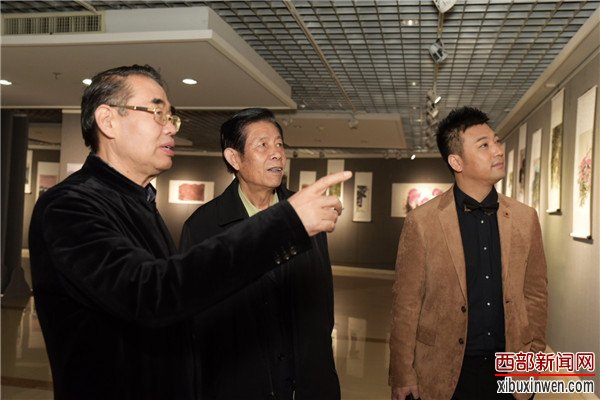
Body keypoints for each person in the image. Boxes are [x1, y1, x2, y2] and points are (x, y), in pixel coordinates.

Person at [28, 65, 351, 400]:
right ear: (108, 121)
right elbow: (151, 293)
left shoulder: (138, 203)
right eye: (157, 113)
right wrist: (285, 225)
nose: (171, 127)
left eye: (171, 117)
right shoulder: (68, 206)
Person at [180, 108, 340, 400]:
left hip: (308, 382)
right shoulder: (204, 227)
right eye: (263, 145)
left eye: (279, 144)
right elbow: (195, 322)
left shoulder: (307, 213)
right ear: (234, 158)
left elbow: (323, 301)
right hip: (240, 383)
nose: (277, 153)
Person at [388, 107, 548, 400]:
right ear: (456, 161)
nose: (498, 150)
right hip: (443, 372)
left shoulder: (526, 218)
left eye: (496, 141)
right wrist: (402, 372)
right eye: (484, 145)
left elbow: (535, 293)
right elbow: (406, 305)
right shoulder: (422, 222)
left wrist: (534, 357)